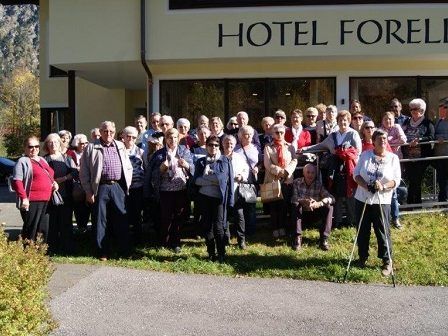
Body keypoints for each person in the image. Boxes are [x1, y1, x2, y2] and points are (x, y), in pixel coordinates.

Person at [79, 121, 133, 260]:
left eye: (111, 131)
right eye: (105, 131)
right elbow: (84, 172)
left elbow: (128, 166)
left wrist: (127, 184)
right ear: (100, 131)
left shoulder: (120, 145)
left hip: (117, 186)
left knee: (121, 218)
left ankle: (124, 250)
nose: (108, 134)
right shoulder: (91, 147)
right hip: (100, 187)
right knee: (99, 220)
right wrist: (88, 191)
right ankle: (102, 251)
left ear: (115, 132)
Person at [301, 110, 362, 228]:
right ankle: (337, 221)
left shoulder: (353, 134)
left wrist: (346, 154)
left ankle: (352, 221)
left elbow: (358, 152)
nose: (343, 122)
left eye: (345, 120)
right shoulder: (333, 136)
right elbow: (320, 146)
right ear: (337, 121)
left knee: (351, 196)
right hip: (336, 170)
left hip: (350, 170)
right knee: (337, 196)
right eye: (340, 120)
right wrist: (304, 149)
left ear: (349, 121)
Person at [353, 129, 401, 276]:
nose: (383, 141)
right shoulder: (365, 155)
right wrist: (365, 185)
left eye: (385, 139)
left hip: (383, 200)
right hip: (363, 198)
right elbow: (356, 175)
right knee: (362, 229)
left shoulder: (393, 158)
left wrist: (384, 186)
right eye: (379, 139)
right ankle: (362, 257)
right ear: (373, 141)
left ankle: (387, 261)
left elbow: (396, 181)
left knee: (382, 230)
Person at [146, 128, 194, 252]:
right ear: (166, 139)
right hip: (165, 191)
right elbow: (151, 174)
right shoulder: (159, 154)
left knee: (179, 216)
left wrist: (187, 165)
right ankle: (164, 241)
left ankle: (176, 242)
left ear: (179, 139)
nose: (173, 140)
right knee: (165, 216)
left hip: (181, 189)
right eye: (170, 137)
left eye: (175, 138)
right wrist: (160, 170)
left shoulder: (184, 151)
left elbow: (193, 167)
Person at [193, 135, 234, 262]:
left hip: (218, 199)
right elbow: (196, 181)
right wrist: (212, 180)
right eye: (210, 145)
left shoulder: (224, 161)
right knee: (207, 226)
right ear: (206, 146)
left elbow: (221, 180)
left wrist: (206, 178)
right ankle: (211, 253)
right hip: (204, 198)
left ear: (219, 146)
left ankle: (221, 253)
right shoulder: (200, 162)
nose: (213, 147)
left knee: (218, 226)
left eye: (216, 145)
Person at [11, 136, 58, 245]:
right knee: (31, 229)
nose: (34, 149)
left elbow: (49, 175)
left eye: (36, 146)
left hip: (46, 199)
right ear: (25, 148)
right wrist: (24, 198)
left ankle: (41, 255)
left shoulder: (41, 159)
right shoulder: (22, 161)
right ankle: (28, 255)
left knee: (43, 229)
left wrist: (53, 183)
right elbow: (17, 181)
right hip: (32, 200)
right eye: (30, 146)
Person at [43, 133, 76, 255]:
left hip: (65, 194)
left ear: (60, 143)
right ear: (47, 145)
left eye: (56, 142)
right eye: (50, 142)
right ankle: (52, 249)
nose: (53, 144)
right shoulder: (44, 160)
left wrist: (63, 178)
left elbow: (75, 173)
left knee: (66, 222)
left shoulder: (67, 158)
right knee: (52, 223)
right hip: (49, 196)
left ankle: (67, 248)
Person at [290, 164, 335, 251]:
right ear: (303, 173)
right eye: (308, 172)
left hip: (314, 213)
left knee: (329, 207)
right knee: (295, 204)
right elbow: (293, 198)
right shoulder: (297, 182)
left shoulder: (319, 185)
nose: (310, 175)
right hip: (301, 214)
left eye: (313, 173)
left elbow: (332, 198)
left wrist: (319, 203)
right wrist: (303, 201)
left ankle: (324, 239)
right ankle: (297, 238)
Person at [264, 124, 297, 238]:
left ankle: (282, 227)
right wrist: (279, 171)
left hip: (287, 180)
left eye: (281, 132)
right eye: (277, 132)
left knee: (284, 206)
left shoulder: (290, 147)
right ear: (272, 134)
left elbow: (294, 160)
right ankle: (275, 228)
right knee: (274, 206)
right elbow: (267, 164)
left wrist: (286, 171)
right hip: (274, 179)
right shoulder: (268, 147)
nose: (279, 134)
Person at [401, 98, 435, 204]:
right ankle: (413, 203)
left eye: (415, 109)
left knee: (416, 180)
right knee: (412, 180)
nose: (412, 111)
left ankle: (415, 203)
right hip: (408, 157)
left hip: (421, 157)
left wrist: (419, 140)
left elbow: (431, 136)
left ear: (422, 110)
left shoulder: (427, 123)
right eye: (411, 109)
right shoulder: (406, 121)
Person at [234, 126, 259, 239]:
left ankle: (251, 230)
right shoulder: (235, 149)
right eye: (245, 134)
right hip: (238, 181)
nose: (248, 136)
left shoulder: (256, 148)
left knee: (250, 207)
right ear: (240, 136)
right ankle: (239, 229)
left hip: (250, 181)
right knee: (239, 207)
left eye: (250, 134)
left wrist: (258, 167)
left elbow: (262, 162)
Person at [122, 126, 145, 244]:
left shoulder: (141, 152)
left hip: (137, 187)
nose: (131, 139)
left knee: (136, 214)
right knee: (123, 214)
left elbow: (146, 168)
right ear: (123, 137)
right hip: (123, 188)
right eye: (128, 136)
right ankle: (124, 239)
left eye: (134, 137)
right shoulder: (119, 151)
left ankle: (138, 240)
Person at [67, 133, 91, 233]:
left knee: (88, 205)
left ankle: (85, 226)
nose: (84, 145)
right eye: (82, 143)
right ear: (77, 144)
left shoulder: (90, 152)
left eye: (86, 143)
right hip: (76, 184)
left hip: (88, 182)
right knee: (78, 206)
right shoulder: (71, 154)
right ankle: (80, 226)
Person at [433, 98, 448, 202]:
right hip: (440, 156)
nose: (446, 109)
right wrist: (437, 138)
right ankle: (442, 202)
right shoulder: (438, 122)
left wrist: (444, 138)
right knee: (441, 181)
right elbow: (433, 135)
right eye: (445, 107)